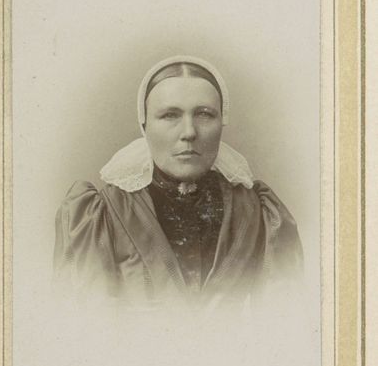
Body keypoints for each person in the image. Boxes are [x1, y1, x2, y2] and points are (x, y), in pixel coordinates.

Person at [54, 56, 303, 311]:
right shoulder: (101, 215)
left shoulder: (259, 214)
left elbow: (283, 319)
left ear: (221, 122)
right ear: (145, 126)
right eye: (170, 115)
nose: (189, 132)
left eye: (204, 114)